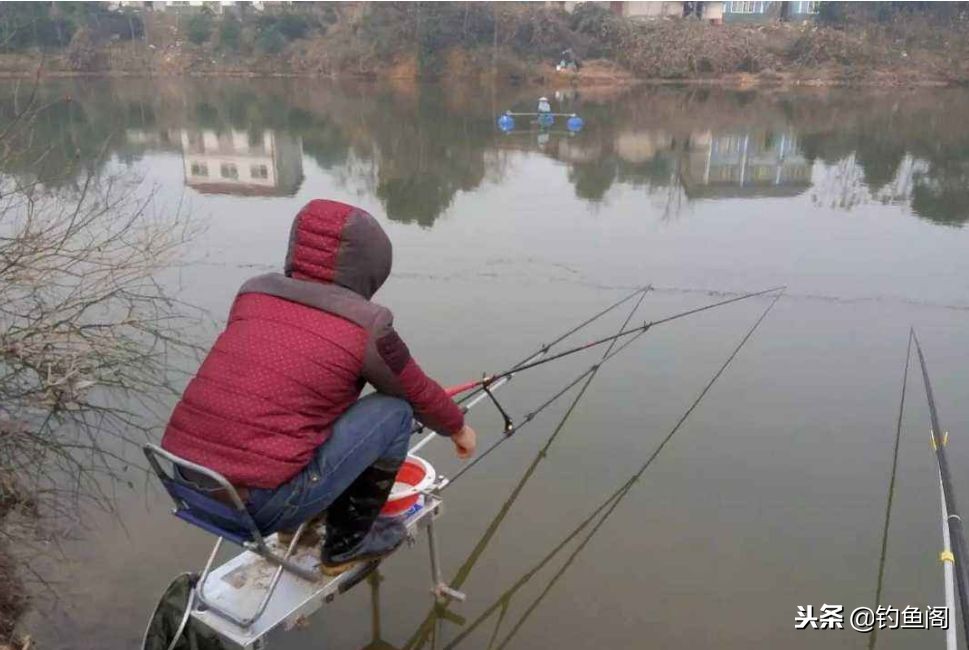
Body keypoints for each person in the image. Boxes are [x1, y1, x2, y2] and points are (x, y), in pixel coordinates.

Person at [161, 199, 477, 576]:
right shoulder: (367, 324)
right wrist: (458, 428)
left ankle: (300, 522)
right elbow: (415, 389)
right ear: (373, 268)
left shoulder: (254, 293)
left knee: (311, 393)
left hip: (185, 485)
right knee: (395, 411)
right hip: (258, 507)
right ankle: (347, 545)